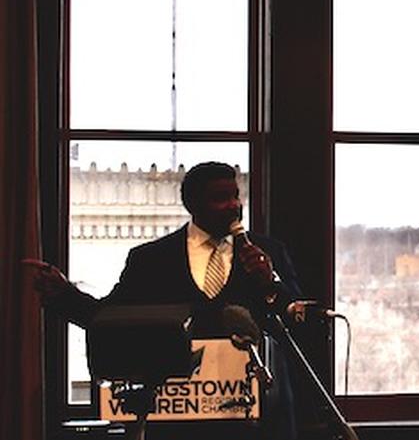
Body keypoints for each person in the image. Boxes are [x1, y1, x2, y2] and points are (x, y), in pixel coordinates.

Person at [27, 161, 303, 440]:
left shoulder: (268, 253)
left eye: (236, 196)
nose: (233, 205)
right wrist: (64, 295)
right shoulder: (151, 260)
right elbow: (111, 321)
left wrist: (269, 282)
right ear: (193, 205)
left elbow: (294, 316)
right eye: (220, 198)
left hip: (257, 420)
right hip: (178, 419)